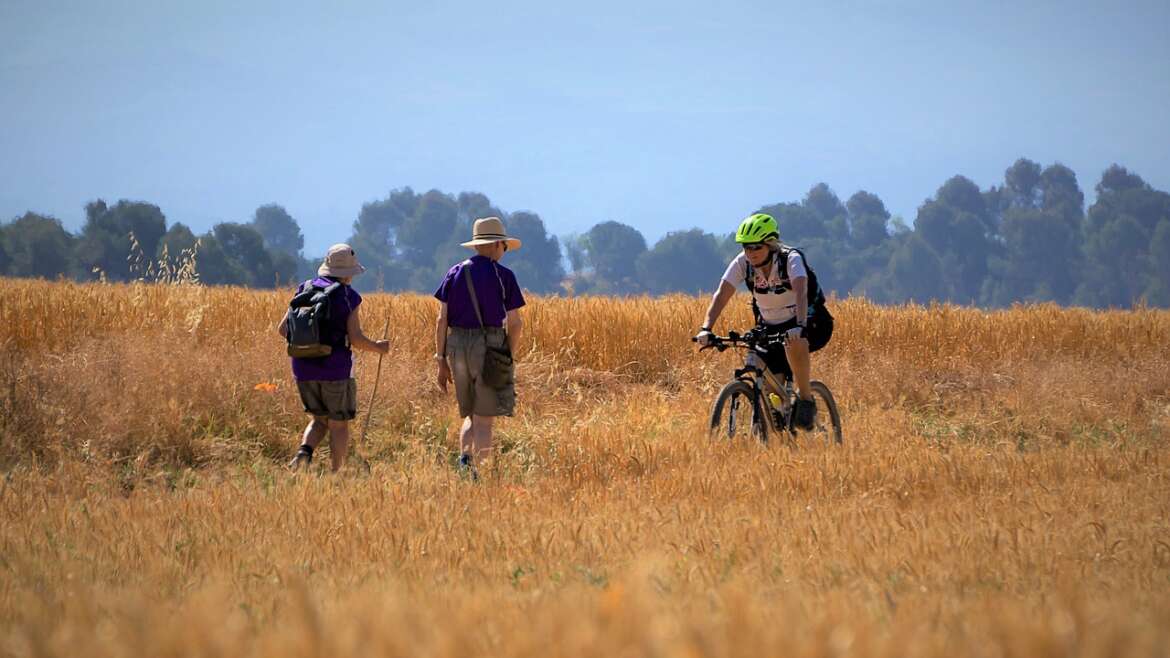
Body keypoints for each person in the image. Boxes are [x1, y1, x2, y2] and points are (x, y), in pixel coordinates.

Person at [695, 213, 834, 429]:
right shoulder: (743, 263)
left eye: (756, 247)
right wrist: (706, 328)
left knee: (794, 342)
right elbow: (722, 294)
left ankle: (806, 399)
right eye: (746, 247)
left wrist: (800, 325)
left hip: (810, 321)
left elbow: (800, 290)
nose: (751, 253)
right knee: (763, 369)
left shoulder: (790, 259)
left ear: (771, 244)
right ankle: (779, 419)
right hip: (770, 325)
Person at [279, 243, 389, 471]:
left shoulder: (304, 288)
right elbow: (356, 338)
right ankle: (337, 473)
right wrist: (378, 347)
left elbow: (283, 329)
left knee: (318, 420)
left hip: (302, 368)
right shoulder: (348, 297)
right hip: (335, 369)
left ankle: (303, 454)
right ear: (348, 274)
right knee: (339, 424)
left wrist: (309, 346)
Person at [433, 217, 526, 479]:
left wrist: (440, 359)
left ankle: (464, 461)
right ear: (497, 245)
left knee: (470, 413)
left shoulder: (455, 272)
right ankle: (481, 475)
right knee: (485, 418)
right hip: (490, 345)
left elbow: (441, 319)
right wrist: (507, 353)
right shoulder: (503, 276)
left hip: (456, 346)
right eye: (505, 247)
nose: (504, 252)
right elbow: (516, 323)